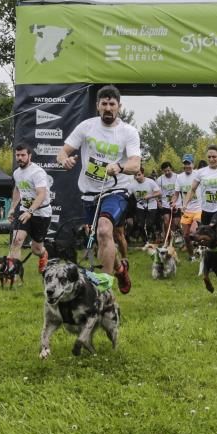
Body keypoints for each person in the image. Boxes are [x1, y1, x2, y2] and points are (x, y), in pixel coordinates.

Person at [57, 84, 141, 293]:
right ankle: (120, 269)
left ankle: (102, 286)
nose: (108, 108)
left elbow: (135, 164)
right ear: (97, 106)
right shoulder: (86, 127)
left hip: (115, 191)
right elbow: (63, 152)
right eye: (104, 104)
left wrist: (119, 166)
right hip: (89, 193)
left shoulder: (128, 132)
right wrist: (64, 161)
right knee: (97, 236)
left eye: (112, 104)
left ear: (119, 107)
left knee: (104, 229)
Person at [5, 143, 51, 275]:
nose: (20, 158)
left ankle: (43, 254)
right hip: (24, 210)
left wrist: (30, 211)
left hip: (41, 212)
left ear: (29, 156)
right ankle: (14, 274)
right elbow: (18, 190)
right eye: (17, 155)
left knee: (36, 249)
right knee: (17, 240)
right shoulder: (17, 173)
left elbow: (41, 194)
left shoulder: (37, 172)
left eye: (23, 155)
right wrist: (13, 208)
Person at [183, 145, 217, 233]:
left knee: (211, 229)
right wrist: (185, 204)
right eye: (209, 157)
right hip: (206, 210)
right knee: (207, 234)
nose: (211, 159)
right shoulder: (201, 172)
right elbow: (192, 189)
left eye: (214, 157)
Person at [174, 154, 202, 261]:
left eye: (189, 163)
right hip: (186, 209)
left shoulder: (198, 175)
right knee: (186, 235)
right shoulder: (179, 177)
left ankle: (201, 250)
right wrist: (173, 202)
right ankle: (192, 256)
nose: (187, 166)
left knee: (194, 231)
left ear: (193, 164)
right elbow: (176, 193)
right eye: (185, 163)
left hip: (199, 208)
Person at [127, 167, 160, 244]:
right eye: (135, 175)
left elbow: (159, 192)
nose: (137, 177)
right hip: (140, 206)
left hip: (151, 205)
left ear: (143, 174)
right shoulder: (132, 184)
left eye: (139, 175)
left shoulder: (150, 182)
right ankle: (145, 241)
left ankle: (154, 235)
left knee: (149, 223)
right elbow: (127, 194)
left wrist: (149, 196)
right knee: (140, 224)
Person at [156, 161, 178, 242]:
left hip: (176, 204)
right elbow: (156, 192)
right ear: (162, 171)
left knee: (175, 223)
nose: (167, 172)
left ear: (171, 169)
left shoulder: (177, 177)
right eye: (165, 171)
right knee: (166, 221)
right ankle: (166, 238)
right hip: (165, 204)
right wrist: (158, 202)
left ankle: (173, 236)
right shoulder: (159, 180)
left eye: (169, 170)